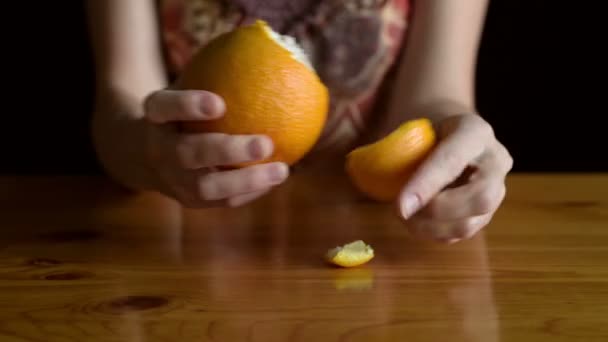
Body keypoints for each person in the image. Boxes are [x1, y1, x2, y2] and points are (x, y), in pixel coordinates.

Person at [86, 0, 513, 244]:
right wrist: (149, 151)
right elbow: (120, 106)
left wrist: (452, 139)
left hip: (363, 252)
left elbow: (432, 100)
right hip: (180, 247)